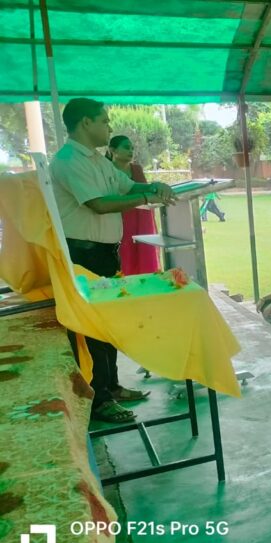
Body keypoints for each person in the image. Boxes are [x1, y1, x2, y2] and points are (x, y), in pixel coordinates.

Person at [51, 98, 176, 423]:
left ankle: (113, 386)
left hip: (105, 254)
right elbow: (99, 204)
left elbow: (127, 185)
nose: (109, 126)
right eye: (104, 121)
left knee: (108, 325)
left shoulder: (98, 160)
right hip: (83, 255)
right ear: (85, 123)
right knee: (93, 329)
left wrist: (154, 185)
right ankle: (99, 399)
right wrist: (147, 197)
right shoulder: (68, 161)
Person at [106, 135, 159, 275]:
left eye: (132, 148)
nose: (130, 151)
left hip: (141, 217)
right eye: (126, 147)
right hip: (118, 216)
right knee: (124, 251)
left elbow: (145, 190)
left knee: (144, 250)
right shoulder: (106, 170)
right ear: (112, 150)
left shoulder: (137, 169)